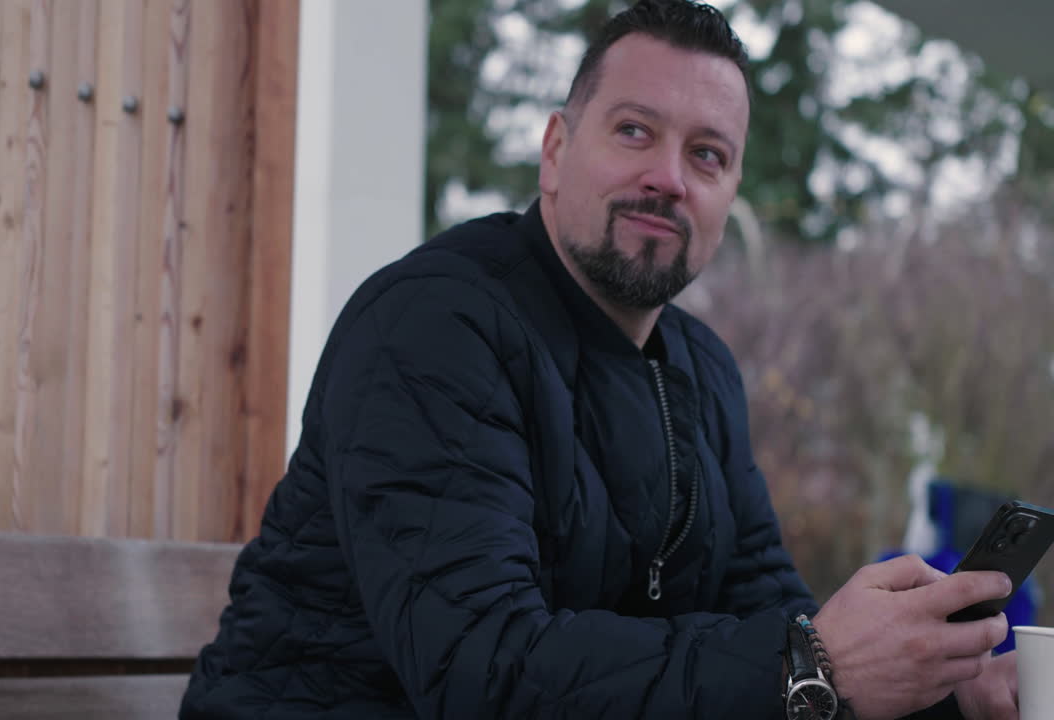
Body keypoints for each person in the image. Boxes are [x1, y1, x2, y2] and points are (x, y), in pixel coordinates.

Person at [179, 1, 1019, 718]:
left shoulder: (704, 371)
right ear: (554, 152)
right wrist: (807, 663)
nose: (668, 177)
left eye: (707, 155)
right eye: (633, 132)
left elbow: (768, 614)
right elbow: (482, 668)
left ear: (728, 195)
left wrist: (936, 685)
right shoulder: (435, 325)